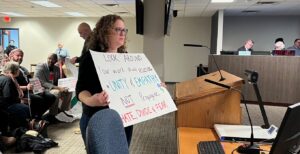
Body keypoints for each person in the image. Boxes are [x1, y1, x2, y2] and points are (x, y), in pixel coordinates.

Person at [76, 14, 132, 146]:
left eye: (124, 30)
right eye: (118, 29)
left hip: (123, 119)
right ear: (105, 32)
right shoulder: (89, 58)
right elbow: (81, 90)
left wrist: (155, 89)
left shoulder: (126, 58)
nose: (122, 33)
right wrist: (91, 100)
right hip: (97, 119)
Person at [9, 49, 56, 120]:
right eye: (18, 55)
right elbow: (11, 86)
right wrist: (26, 87)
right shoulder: (10, 68)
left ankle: (37, 115)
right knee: (39, 99)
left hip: (31, 90)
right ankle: (34, 117)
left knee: (51, 97)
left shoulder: (23, 68)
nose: (20, 58)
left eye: (21, 56)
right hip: (21, 92)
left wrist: (39, 87)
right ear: (12, 56)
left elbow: (32, 80)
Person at [34, 53, 72, 118]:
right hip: (42, 89)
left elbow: (58, 81)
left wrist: (66, 85)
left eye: (53, 59)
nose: (50, 61)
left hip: (53, 88)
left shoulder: (56, 68)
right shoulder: (41, 66)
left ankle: (63, 111)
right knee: (56, 92)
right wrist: (57, 87)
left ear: (56, 60)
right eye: (49, 58)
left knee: (69, 91)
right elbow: (40, 81)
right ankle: (53, 115)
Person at [0, 61, 30, 130]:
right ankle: (21, 129)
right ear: (14, 71)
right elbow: (7, 97)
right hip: (4, 106)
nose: (19, 71)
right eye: (18, 69)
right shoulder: (7, 80)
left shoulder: (8, 77)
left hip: (5, 103)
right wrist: (21, 101)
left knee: (25, 106)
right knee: (24, 108)